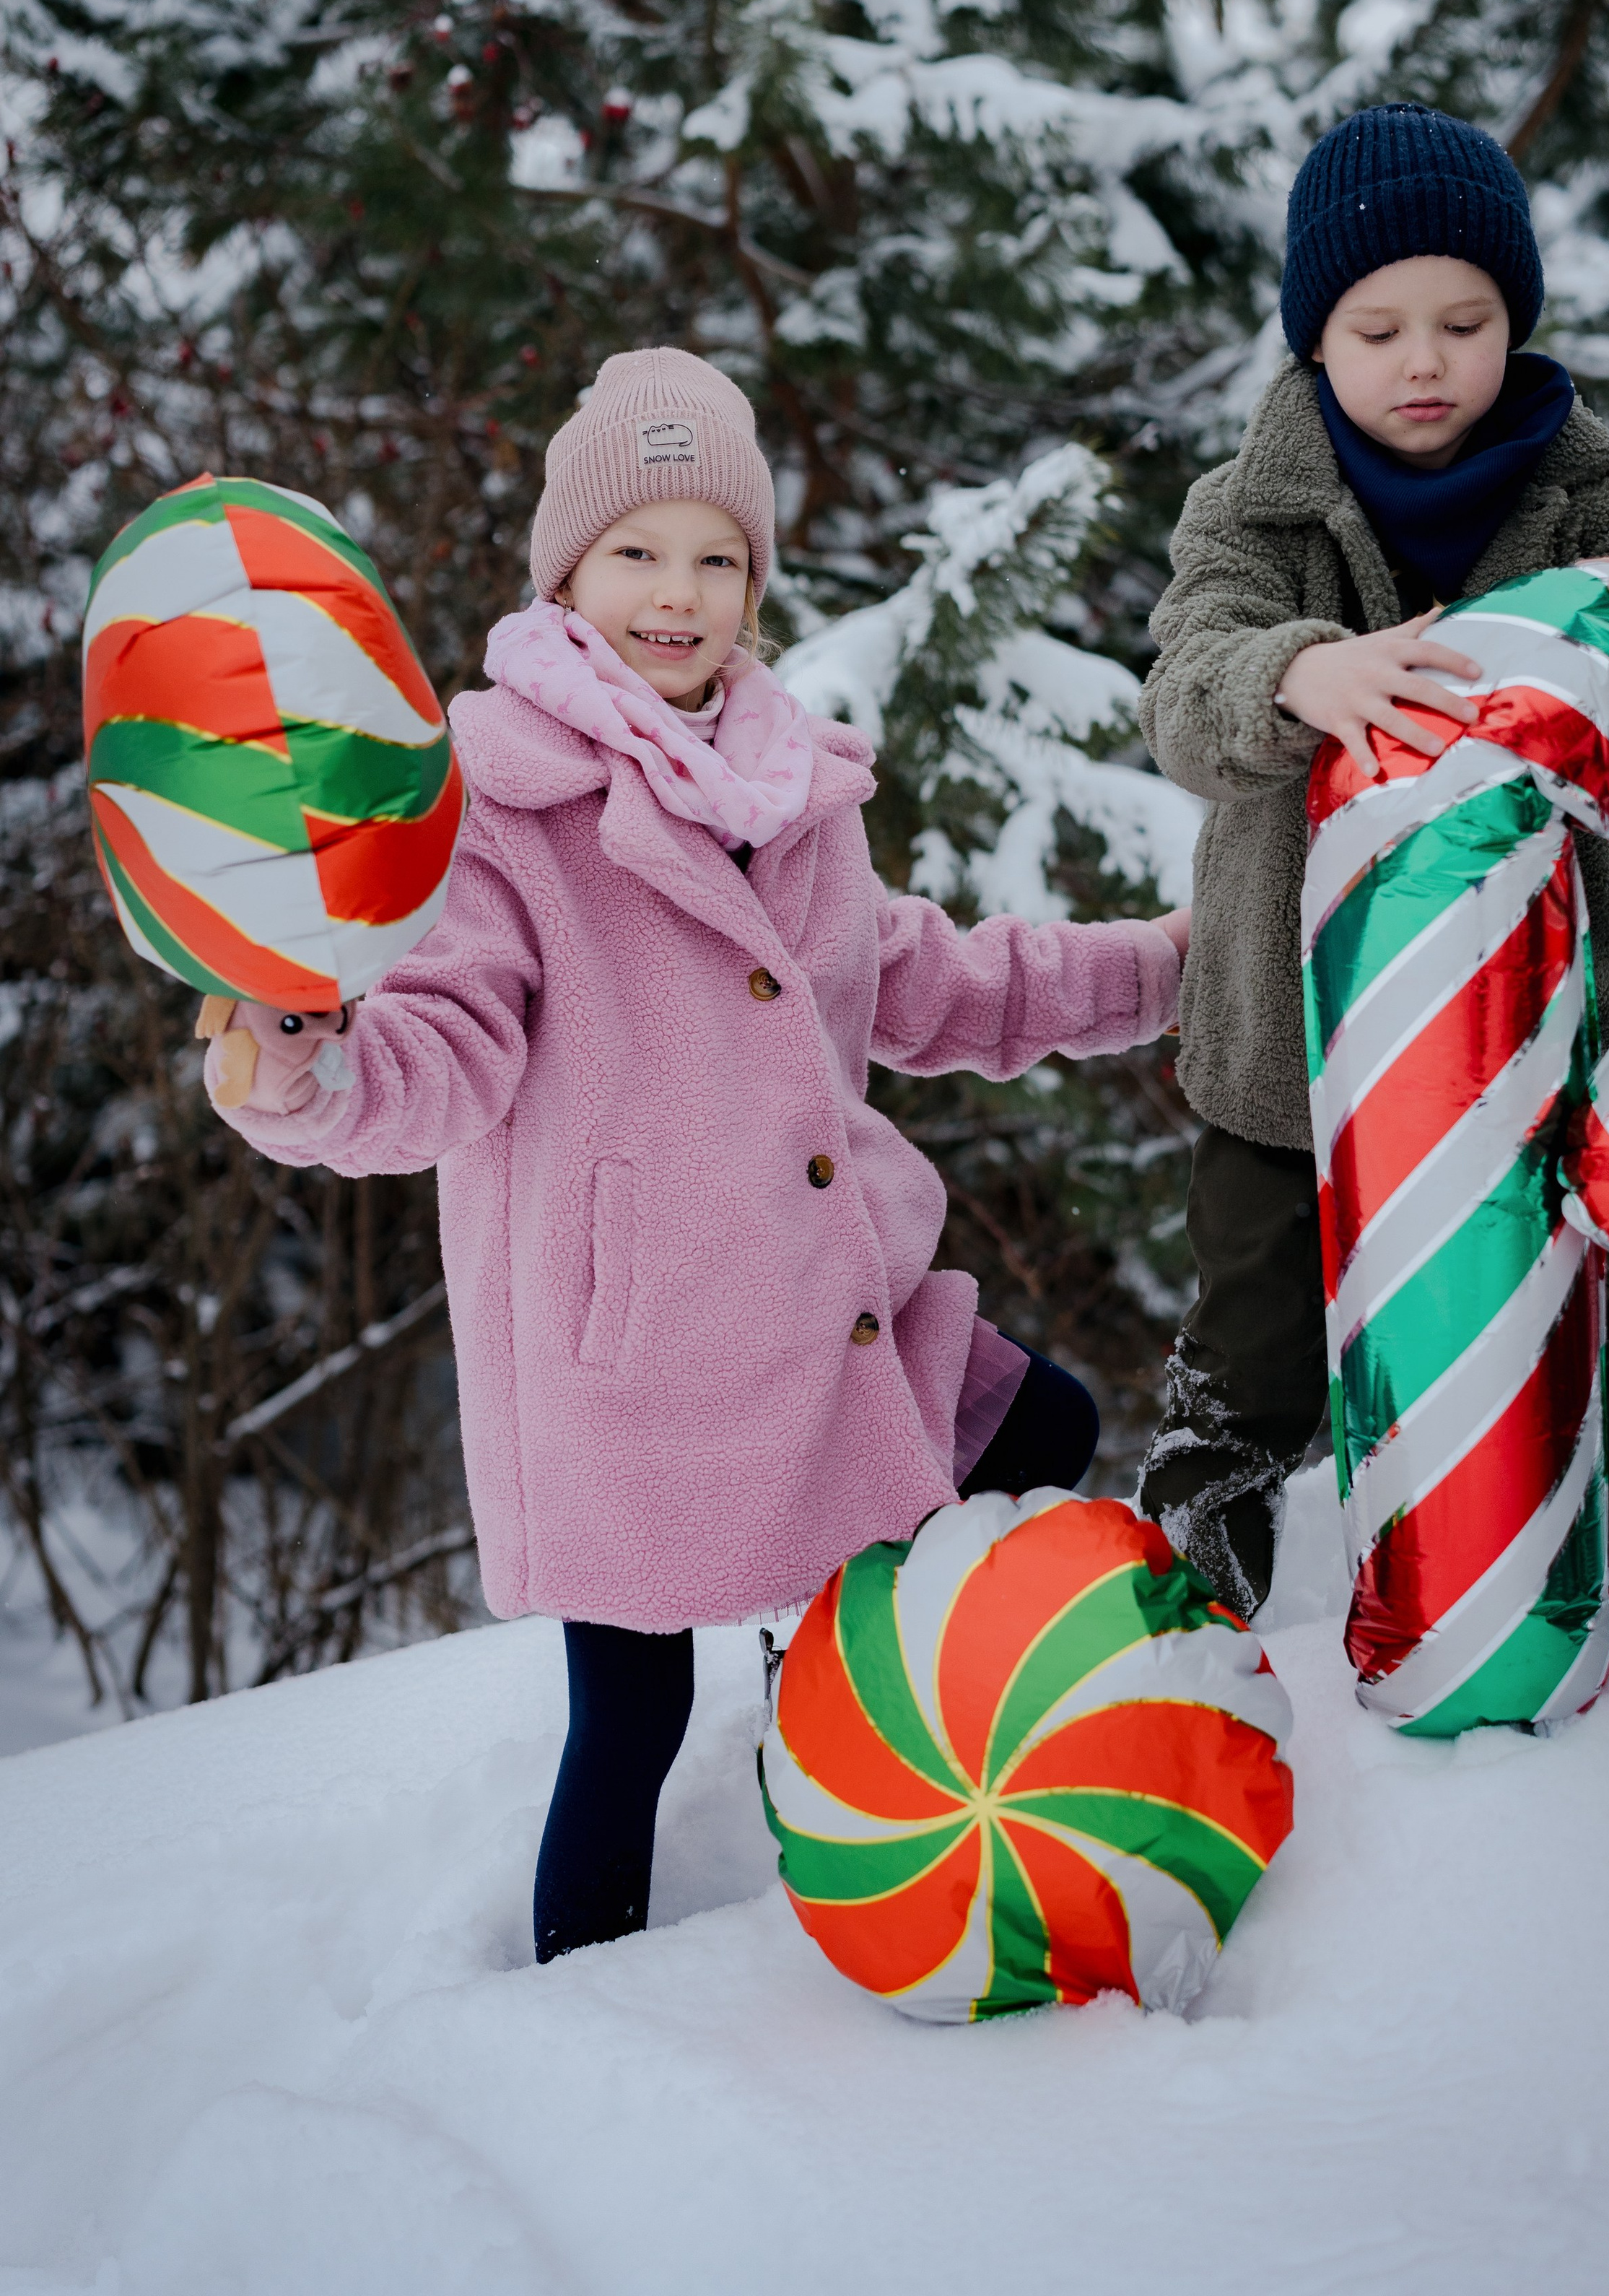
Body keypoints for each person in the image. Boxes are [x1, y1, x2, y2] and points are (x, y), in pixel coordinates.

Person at [204, 347, 1186, 1962]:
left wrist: (1154, 965)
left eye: (715, 557)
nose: (676, 595)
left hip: (821, 1313)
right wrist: (300, 1073)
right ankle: (583, 2015)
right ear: (568, 572)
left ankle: (867, 1817)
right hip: (637, 1366)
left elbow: (931, 984)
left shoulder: (792, 788)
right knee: (631, 1718)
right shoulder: (505, 810)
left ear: (754, 581)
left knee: (1042, 1427)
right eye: (636, 553)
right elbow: (441, 1061)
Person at [1137, 102, 1609, 1619]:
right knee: (1259, 1310)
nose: (1421, 360)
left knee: (1541, 1287)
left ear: (1509, 323)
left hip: (1523, 1024)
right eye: (1375, 326)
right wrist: (1290, 675)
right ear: (1312, 339)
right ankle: (1203, 1537)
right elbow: (1185, 679)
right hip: (1288, 1027)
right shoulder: (1254, 510)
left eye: (1461, 321)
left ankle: (1576, 1542)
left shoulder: (1580, 496)